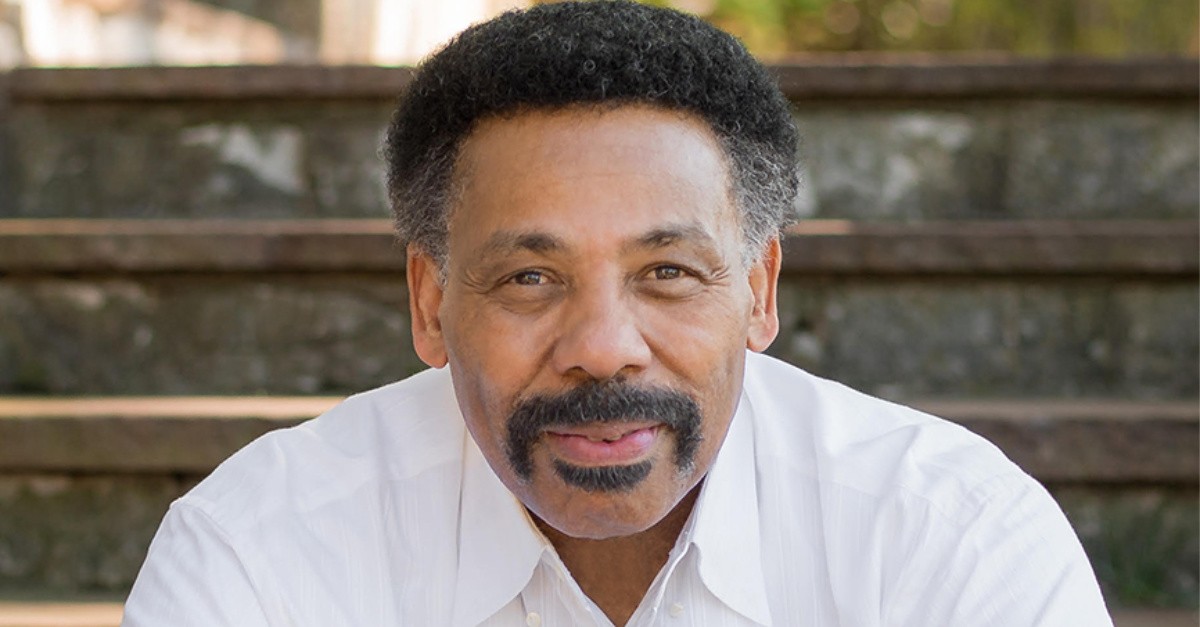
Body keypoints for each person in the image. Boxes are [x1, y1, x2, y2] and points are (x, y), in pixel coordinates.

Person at [122, 2, 1112, 625]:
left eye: (667, 271)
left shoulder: (950, 537)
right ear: (429, 303)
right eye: (529, 278)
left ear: (759, 290)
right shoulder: (262, 550)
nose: (602, 349)